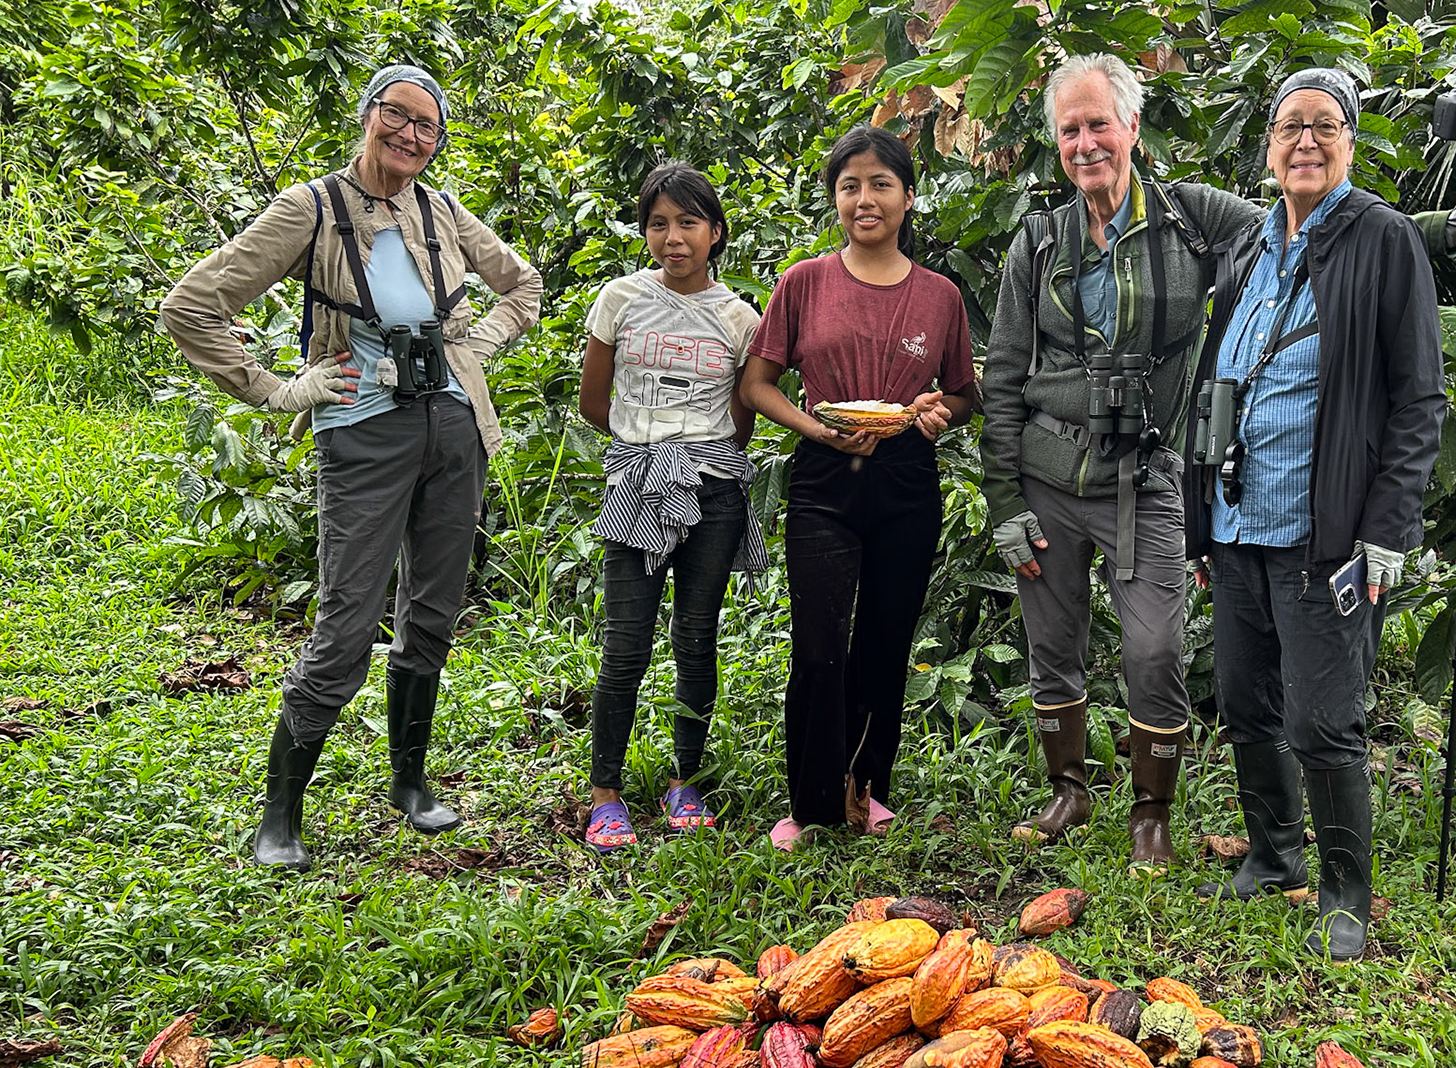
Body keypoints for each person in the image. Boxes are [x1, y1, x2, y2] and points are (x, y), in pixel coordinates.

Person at [159, 65, 542, 871]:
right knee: (346, 622)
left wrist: (476, 346)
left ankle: (409, 783)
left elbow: (523, 284)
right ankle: (280, 816)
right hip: (362, 433)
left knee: (433, 609)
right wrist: (274, 387)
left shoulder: (440, 210)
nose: (410, 136)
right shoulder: (313, 207)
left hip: (454, 426)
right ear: (367, 115)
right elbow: (191, 304)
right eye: (397, 117)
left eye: (427, 127)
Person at [1183, 67, 1446, 961]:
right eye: (1290, 126)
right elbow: (1218, 381)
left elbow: (1418, 401)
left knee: (1323, 719)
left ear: (1349, 142)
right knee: (1245, 704)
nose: (1305, 140)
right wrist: (1195, 519)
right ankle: (1274, 855)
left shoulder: (1383, 238)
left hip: (1322, 534)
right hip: (1234, 522)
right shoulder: (1251, 248)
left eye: (1324, 126)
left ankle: (1343, 890)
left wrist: (1386, 531)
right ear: (1267, 147)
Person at [979, 54, 1265, 870]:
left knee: (1154, 649)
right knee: (1054, 643)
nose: (1084, 143)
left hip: (1145, 478)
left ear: (1133, 127)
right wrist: (1004, 502)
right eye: (1069, 130)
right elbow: (1002, 375)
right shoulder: (1039, 240)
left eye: (1098, 122)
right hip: (1047, 476)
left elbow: (1304, 228)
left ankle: (1152, 811)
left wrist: (1448, 227)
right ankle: (1068, 787)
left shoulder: (1192, 220)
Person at [739, 125, 979, 850]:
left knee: (885, 636)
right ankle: (809, 803)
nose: (864, 199)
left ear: (909, 196)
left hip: (906, 476)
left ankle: (866, 788)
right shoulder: (804, 282)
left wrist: (939, 411)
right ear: (834, 199)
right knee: (818, 643)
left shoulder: (940, 297)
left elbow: (963, 393)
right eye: (850, 185)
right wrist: (814, 429)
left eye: (880, 184)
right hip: (823, 474)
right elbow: (757, 385)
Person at [577, 162, 764, 851]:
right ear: (645, 232)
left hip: (713, 490)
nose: (673, 237)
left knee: (696, 636)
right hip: (636, 481)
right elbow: (595, 403)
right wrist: (650, 449)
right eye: (659, 223)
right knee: (624, 644)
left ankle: (688, 780)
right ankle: (605, 794)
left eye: (688, 222)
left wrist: (695, 458)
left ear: (715, 232)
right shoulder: (620, 300)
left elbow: (741, 416)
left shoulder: (740, 318)